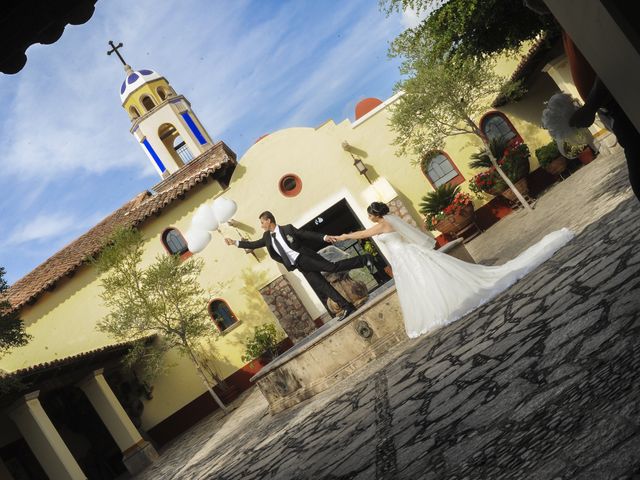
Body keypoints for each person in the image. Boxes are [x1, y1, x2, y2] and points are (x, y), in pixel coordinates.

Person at [326, 202, 574, 338]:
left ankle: (442, 309)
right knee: (428, 281)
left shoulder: (383, 225)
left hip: (405, 259)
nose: (369, 218)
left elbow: (362, 234)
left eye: (370, 215)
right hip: (406, 257)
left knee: (425, 283)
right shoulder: (392, 221)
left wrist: (340, 236)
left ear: (375, 214)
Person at [224, 211, 373, 321]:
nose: (261, 226)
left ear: (269, 220)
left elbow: (305, 234)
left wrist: (324, 237)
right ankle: (347, 307)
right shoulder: (266, 237)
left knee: (332, 267)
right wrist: (235, 242)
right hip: (298, 265)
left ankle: (364, 259)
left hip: (305, 257)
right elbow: (253, 244)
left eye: (262, 222)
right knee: (322, 286)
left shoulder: (287, 229)